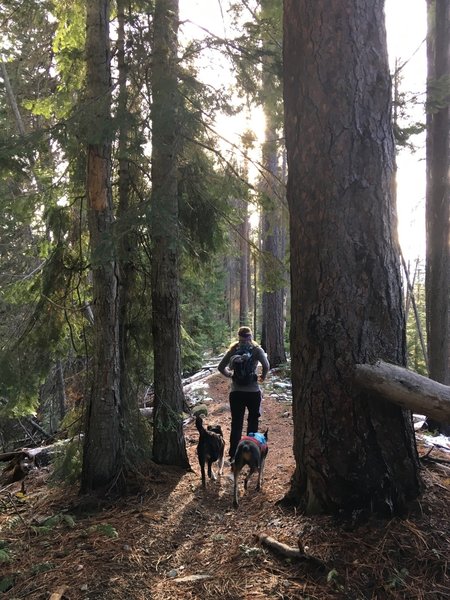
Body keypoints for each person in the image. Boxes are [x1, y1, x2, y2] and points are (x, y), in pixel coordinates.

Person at [218, 326, 270, 463]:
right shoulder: (257, 350)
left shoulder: (233, 349)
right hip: (253, 392)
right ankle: (251, 453)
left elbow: (220, 367)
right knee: (253, 422)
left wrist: (230, 375)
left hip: (236, 392)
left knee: (236, 423)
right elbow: (266, 365)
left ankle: (234, 455)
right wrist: (262, 377)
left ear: (238, 336)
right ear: (250, 336)